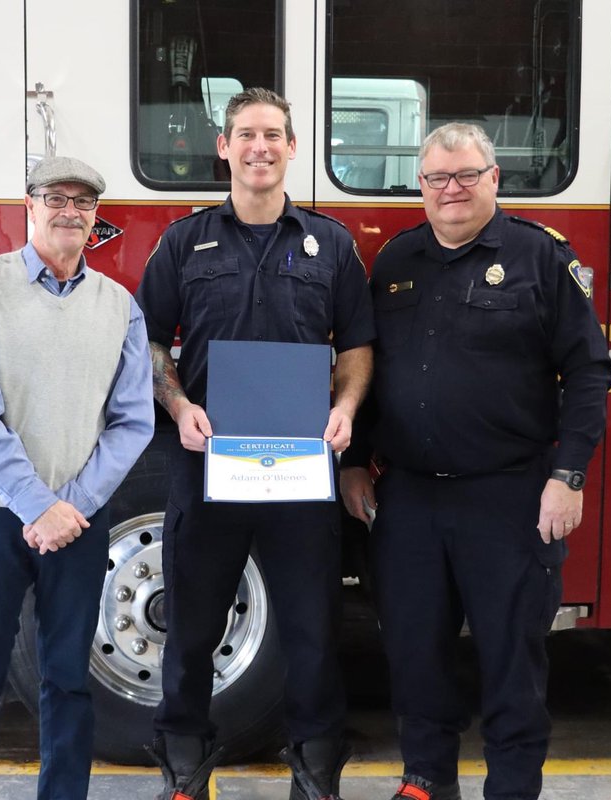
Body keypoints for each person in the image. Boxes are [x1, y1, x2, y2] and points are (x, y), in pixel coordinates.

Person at [339, 123, 611, 800]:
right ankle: (426, 780)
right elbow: (370, 370)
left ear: (494, 178)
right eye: (437, 178)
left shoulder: (542, 258)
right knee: (413, 653)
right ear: (421, 186)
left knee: (511, 662)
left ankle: (512, 789)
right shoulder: (397, 262)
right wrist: (354, 463)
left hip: (510, 497)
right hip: (408, 500)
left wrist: (569, 474)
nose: (451, 190)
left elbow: (588, 372)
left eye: (465, 175)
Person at [135, 87, 376, 800]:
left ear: (293, 147)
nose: (259, 147)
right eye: (245, 134)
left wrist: (347, 408)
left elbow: (358, 344)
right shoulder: (184, 241)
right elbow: (148, 340)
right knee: (191, 628)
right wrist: (176, 404)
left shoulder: (330, 243)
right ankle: (183, 766)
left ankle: (315, 767)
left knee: (311, 629)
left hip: (301, 474)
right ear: (225, 148)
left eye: (272, 134)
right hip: (208, 467)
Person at [0, 156, 154, 800]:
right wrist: (38, 505)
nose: (70, 211)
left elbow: (133, 421)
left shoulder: (119, 306)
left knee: (67, 679)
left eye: (83, 202)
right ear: (27, 205)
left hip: (78, 523)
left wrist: (71, 507)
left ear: (96, 218)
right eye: (55, 198)